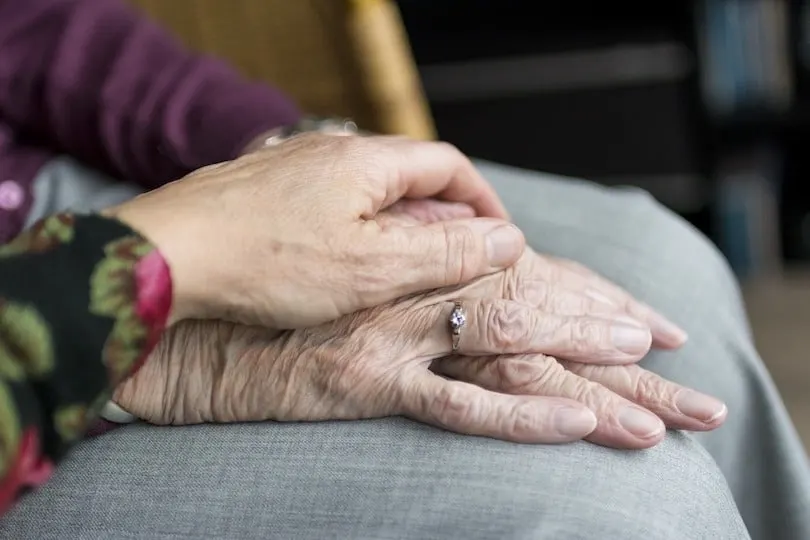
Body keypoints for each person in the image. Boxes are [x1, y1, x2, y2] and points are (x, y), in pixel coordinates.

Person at [0, 1, 807, 539]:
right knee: (622, 500)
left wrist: (283, 159)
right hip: (29, 385)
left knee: (657, 265)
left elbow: (32, 25)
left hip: (58, 186)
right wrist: (163, 337)